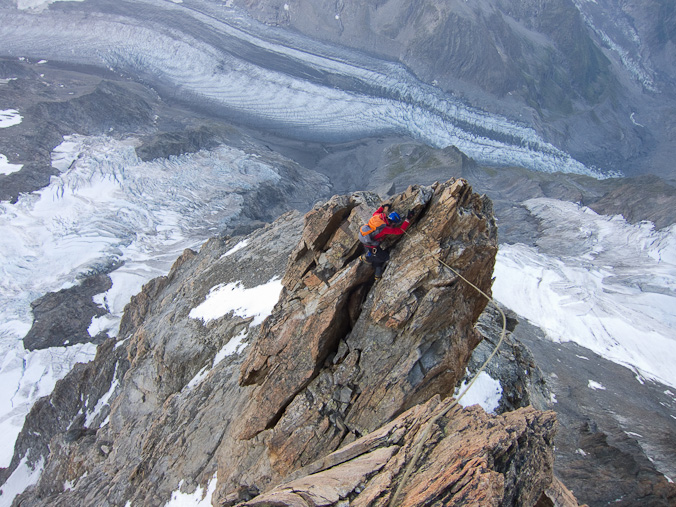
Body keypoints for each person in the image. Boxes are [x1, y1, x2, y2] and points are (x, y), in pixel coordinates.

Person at [358, 204, 414, 279]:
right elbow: (400, 231)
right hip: (371, 245)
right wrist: (408, 219)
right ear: (393, 222)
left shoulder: (379, 217)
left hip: (365, 237)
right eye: (395, 223)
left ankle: (377, 274)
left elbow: (375, 213)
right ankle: (367, 257)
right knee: (385, 257)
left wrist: (383, 207)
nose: (394, 225)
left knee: (379, 254)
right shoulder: (385, 228)